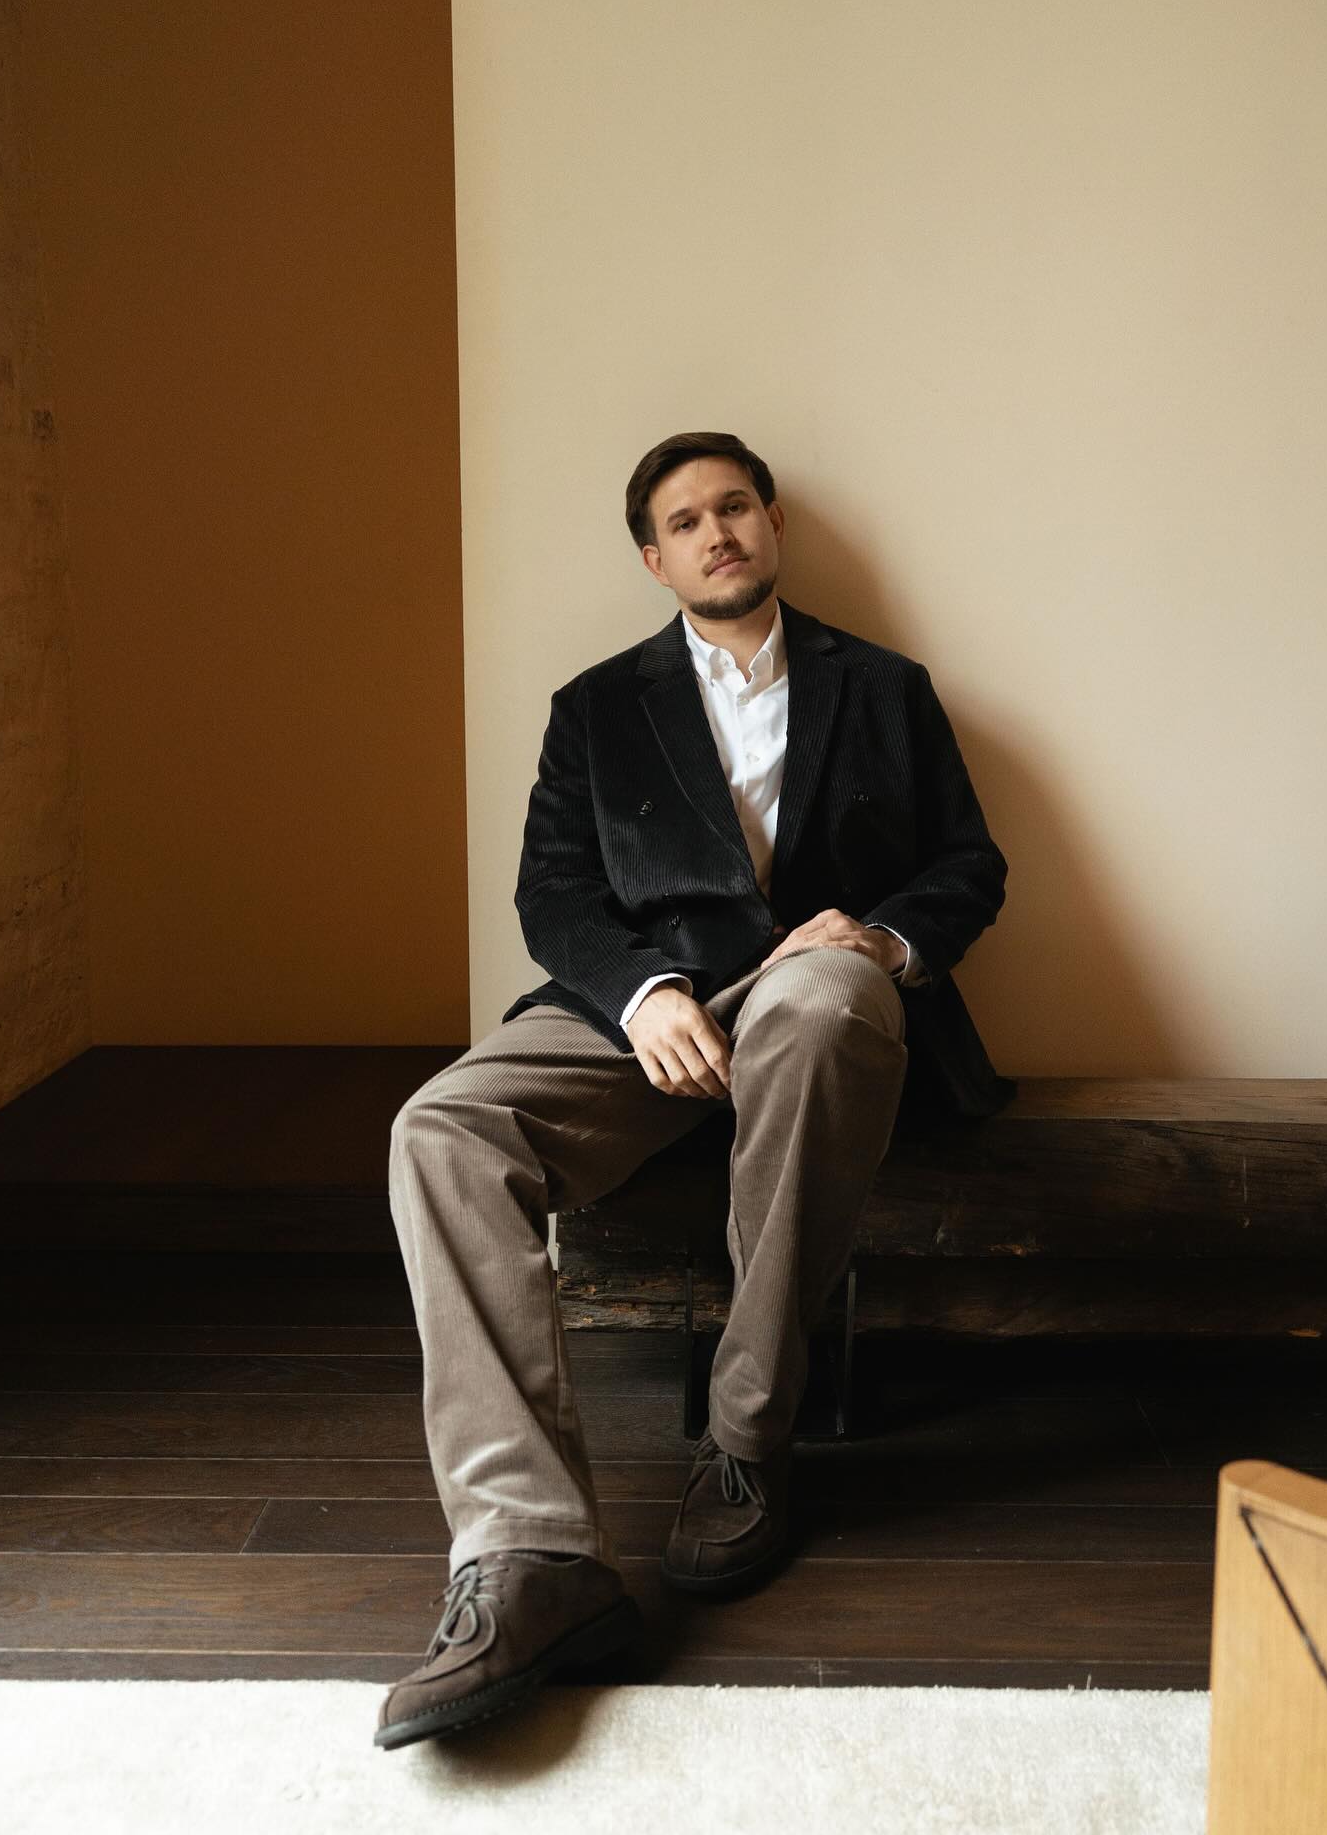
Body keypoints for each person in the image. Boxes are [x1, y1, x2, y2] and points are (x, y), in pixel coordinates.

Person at [375, 431, 1010, 1750]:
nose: (716, 532)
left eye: (734, 507)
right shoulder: (597, 708)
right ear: (654, 559)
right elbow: (554, 893)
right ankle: (529, 1555)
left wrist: (879, 940)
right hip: (655, 1007)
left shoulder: (885, 687)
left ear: (772, 525)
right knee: (441, 1127)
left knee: (822, 1005)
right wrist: (641, 993)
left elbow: (968, 863)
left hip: (818, 992)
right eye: (685, 520)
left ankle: (747, 1437)